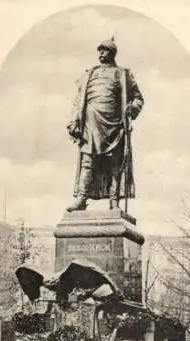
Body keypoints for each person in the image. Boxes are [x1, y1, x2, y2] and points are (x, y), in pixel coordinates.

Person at [67, 38, 144, 212]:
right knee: (88, 161)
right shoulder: (89, 74)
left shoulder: (123, 74)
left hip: (115, 125)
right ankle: (81, 199)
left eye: (105, 50)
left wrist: (131, 109)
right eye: (99, 50)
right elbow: (78, 101)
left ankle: (114, 201)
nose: (101, 53)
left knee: (115, 165)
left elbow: (138, 98)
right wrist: (73, 122)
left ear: (113, 53)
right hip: (91, 123)